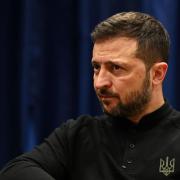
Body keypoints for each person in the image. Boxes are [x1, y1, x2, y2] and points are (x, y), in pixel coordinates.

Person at [0, 11, 180, 180]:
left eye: (116, 68)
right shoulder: (78, 134)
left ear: (157, 74)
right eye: (96, 67)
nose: (99, 82)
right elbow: (15, 171)